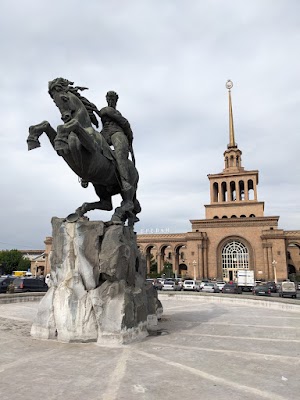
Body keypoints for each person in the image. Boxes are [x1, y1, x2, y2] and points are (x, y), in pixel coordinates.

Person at [99, 91, 134, 197]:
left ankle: (124, 181)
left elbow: (124, 124)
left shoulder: (114, 112)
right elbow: (124, 122)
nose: (111, 100)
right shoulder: (105, 110)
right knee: (92, 145)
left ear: (116, 100)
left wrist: (129, 138)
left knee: (120, 153)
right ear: (106, 99)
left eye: (113, 98)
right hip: (105, 133)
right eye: (109, 98)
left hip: (117, 132)